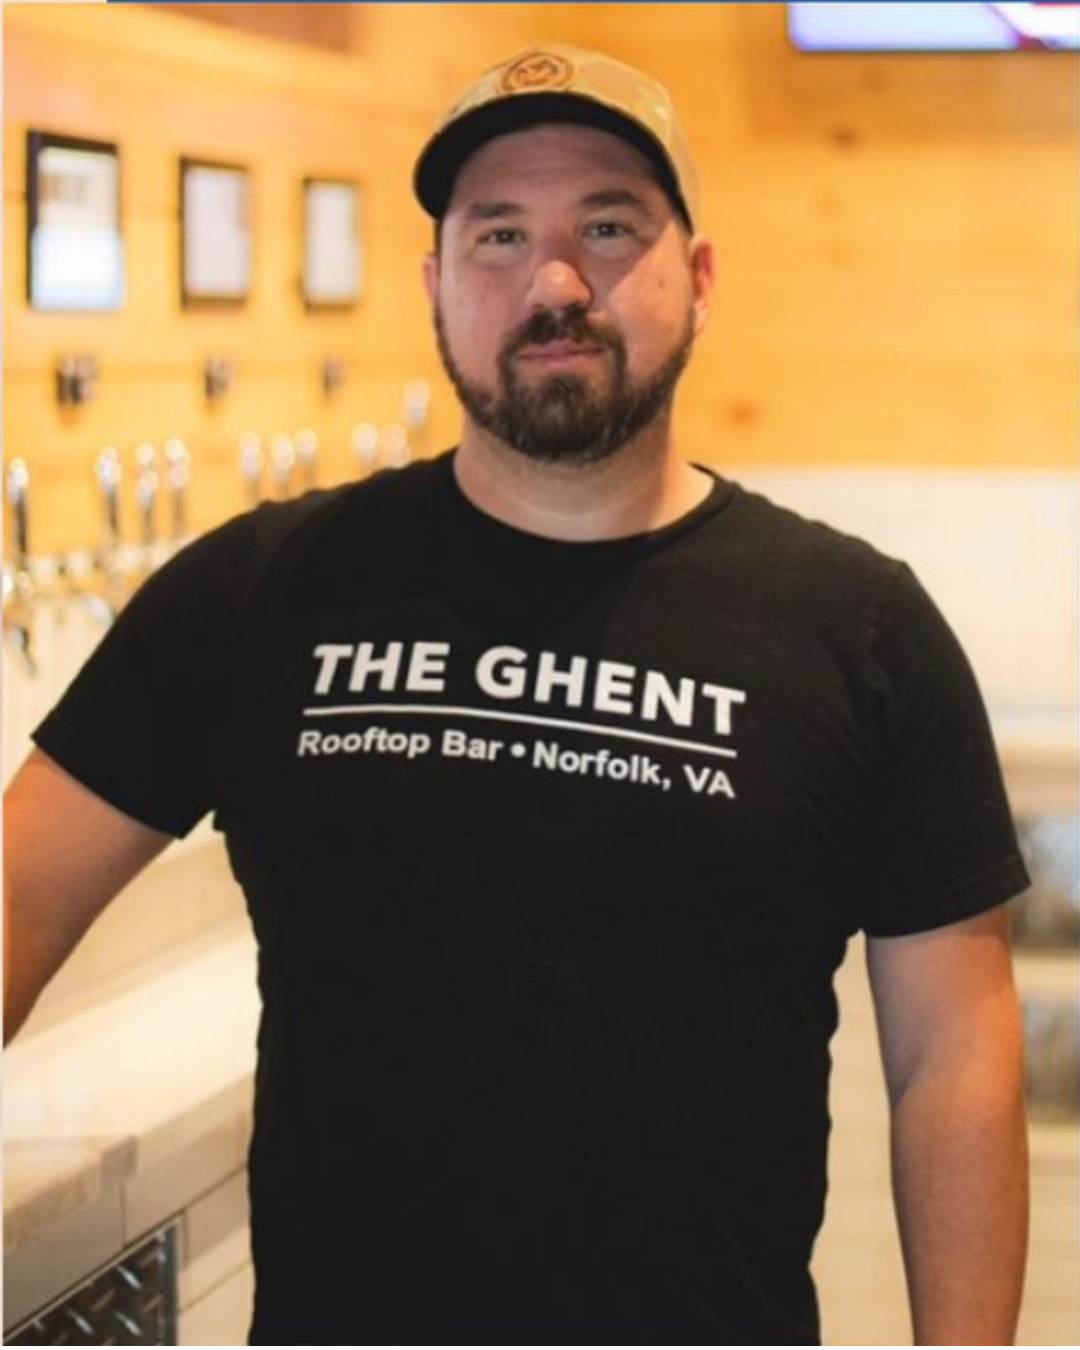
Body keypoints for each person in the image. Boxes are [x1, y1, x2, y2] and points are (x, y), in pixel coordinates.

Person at [5, 43, 1030, 1347]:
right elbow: (21, 888)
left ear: (699, 280)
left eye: (608, 227)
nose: (555, 284)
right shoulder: (264, 591)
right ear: (437, 286)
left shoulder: (858, 628)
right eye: (499, 236)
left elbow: (953, 1061)